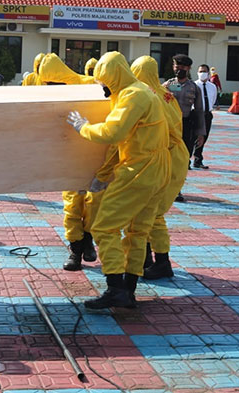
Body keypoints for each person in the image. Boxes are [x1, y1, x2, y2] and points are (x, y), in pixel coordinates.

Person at [66, 52, 170, 308]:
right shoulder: (141, 91)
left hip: (139, 169)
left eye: (104, 81)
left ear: (113, 76)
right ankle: (129, 290)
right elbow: (125, 140)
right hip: (156, 168)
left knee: (104, 227)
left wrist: (83, 128)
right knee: (138, 231)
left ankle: (115, 287)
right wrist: (104, 174)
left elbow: (114, 132)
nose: (103, 87)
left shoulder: (133, 96)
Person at [37, 53, 100, 271]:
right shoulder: (47, 93)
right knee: (72, 205)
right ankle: (75, 250)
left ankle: (88, 240)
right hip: (68, 158)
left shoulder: (90, 86)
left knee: (93, 204)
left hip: (93, 156)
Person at [131, 56, 189, 280]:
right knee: (150, 212)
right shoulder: (166, 94)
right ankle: (152, 260)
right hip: (175, 155)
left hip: (161, 157)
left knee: (149, 213)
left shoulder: (146, 96)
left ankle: (158, 262)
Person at [163, 54, 205, 202]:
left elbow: (199, 111)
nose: (179, 70)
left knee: (182, 159)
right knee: (167, 158)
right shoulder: (168, 85)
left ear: (188, 69)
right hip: (169, 126)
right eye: (177, 66)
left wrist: (201, 134)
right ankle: (165, 187)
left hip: (186, 126)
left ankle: (177, 190)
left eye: (183, 67)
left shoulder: (194, 87)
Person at [193, 64, 217, 169]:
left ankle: (198, 160)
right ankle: (187, 160)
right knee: (193, 137)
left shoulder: (212, 86)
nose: (202, 73)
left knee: (204, 137)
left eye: (204, 71)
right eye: (200, 71)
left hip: (207, 114)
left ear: (208, 73)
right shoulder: (193, 85)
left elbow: (213, 99)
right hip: (196, 114)